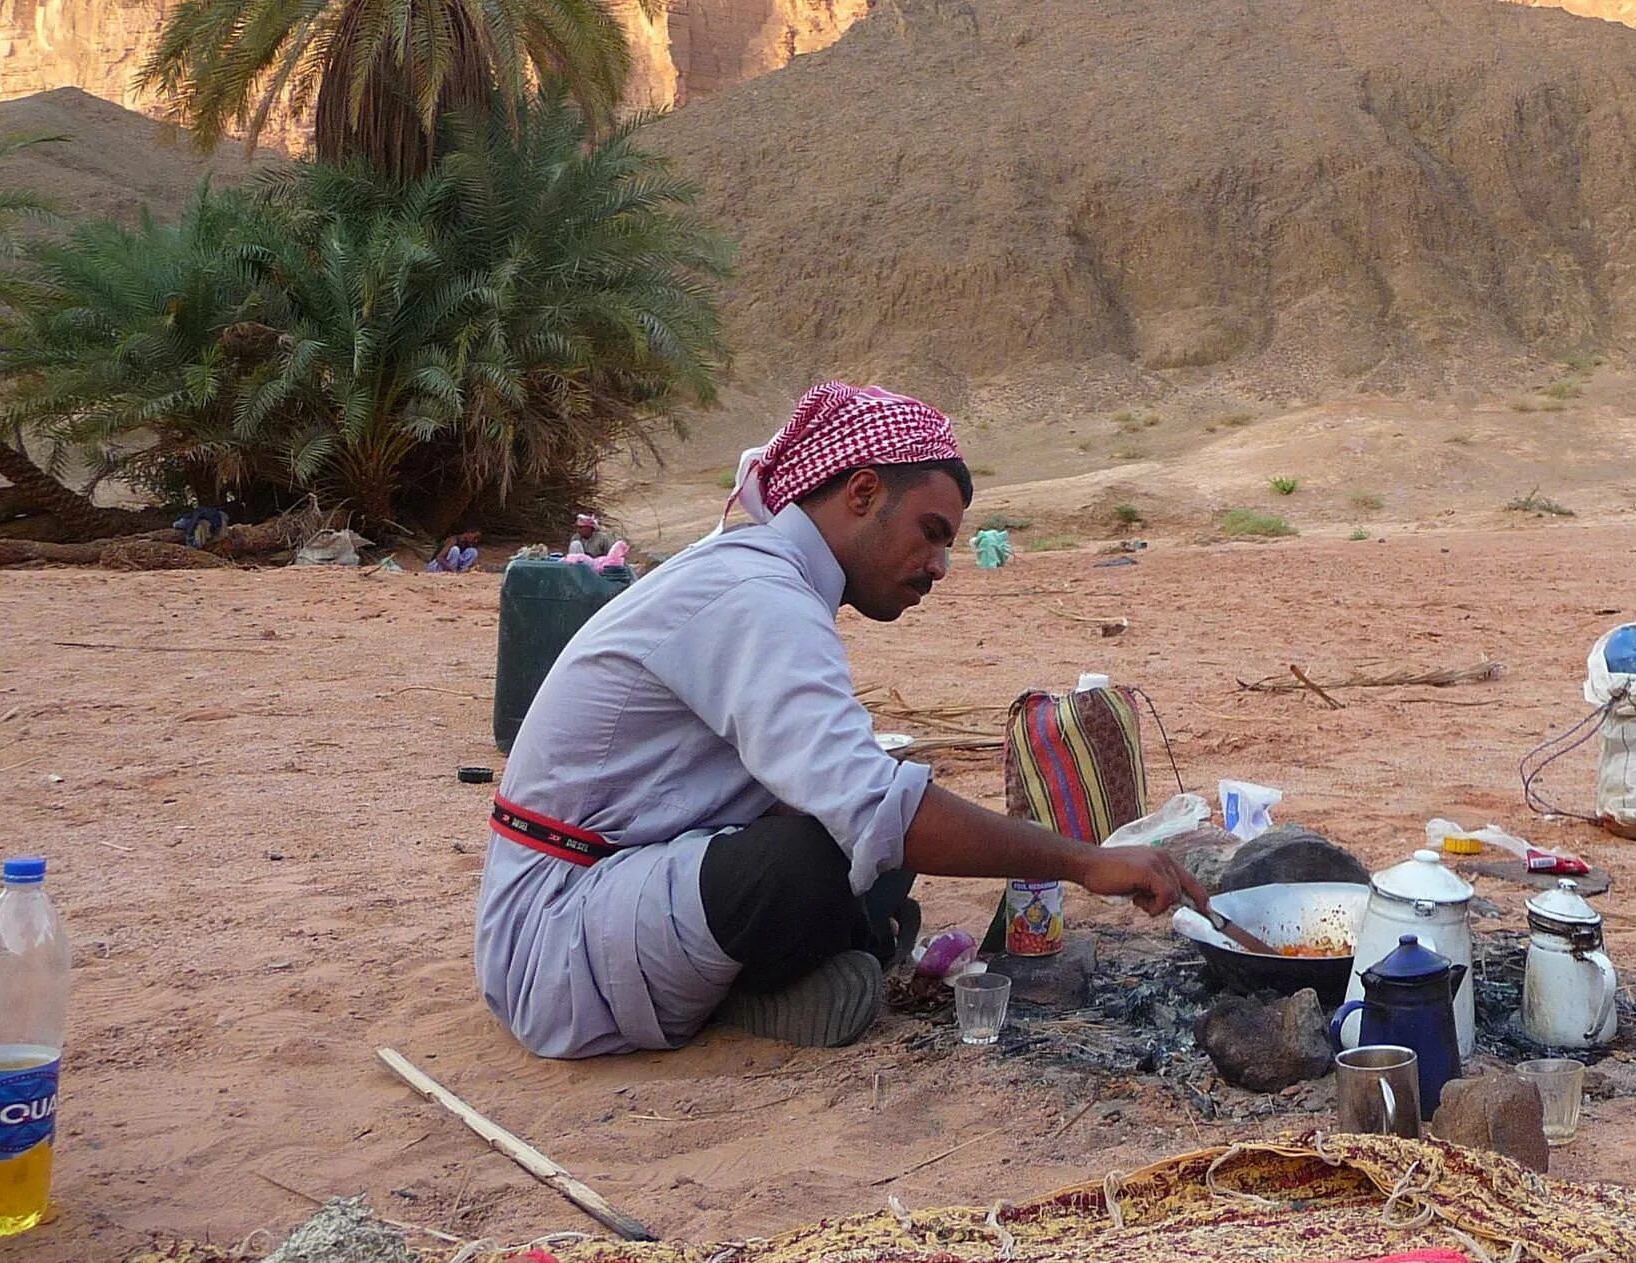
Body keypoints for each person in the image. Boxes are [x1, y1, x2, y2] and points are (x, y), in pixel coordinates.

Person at [475, 382, 1206, 1059]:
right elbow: (868, 804)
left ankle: (792, 966)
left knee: (888, 831)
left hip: (633, 886)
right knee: (827, 850)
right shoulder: (755, 594)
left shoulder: (765, 578)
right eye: (930, 532)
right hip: (555, 941)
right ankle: (743, 996)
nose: (940, 565)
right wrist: (1083, 861)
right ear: (861, 492)